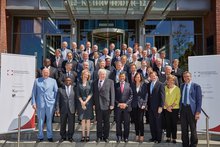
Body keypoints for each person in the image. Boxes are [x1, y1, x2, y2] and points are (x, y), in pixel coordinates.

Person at [31, 68, 58, 142]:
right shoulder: (37, 81)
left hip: (50, 104)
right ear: (42, 73)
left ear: (49, 73)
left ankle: (50, 136)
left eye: (47, 72)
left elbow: (56, 92)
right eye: (44, 72)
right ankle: (40, 136)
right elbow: (34, 92)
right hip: (40, 103)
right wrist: (33, 103)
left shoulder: (53, 81)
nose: (46, 73)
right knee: (40, 120)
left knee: (49, 120)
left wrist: (55, 102)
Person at [180, 71, 202, 147]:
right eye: (184, 76)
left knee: (193, 129)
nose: (186, 78)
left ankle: (193, 144)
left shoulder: (196, 86)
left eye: (188, 76)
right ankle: (185, 144)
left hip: (192, 110)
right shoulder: (182, 86)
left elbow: (199, 100)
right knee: (184, 129)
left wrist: (198, 112)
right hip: (183, 109)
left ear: (191, 77)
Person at [93, 69, 115, 142]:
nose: (102, 75)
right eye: (101, 74)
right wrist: (93, 103)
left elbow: (112, 93)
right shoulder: (94, 82)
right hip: (98, 105)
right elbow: (94, 94)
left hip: (107, 105)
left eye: (104, 74)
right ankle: (99, 136)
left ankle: (106, 137)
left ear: (106, 75)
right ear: (98, 75)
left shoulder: (110, 82)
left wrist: (112, 104)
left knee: (106, 122)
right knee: (99, 122)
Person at [56, 77, 76, 142]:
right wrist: (57, 110)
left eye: (69, 80)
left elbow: (76, 100)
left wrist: (77, 109)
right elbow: (58, 101)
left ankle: (70, 137)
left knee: (71, 124)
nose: (68, 81)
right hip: (63, 109)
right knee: (62, 123)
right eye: (66, 80)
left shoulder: (74, 89)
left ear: (71, 81)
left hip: (71, 109)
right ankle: (63, 137)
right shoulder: (60, 89)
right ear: (64, 81)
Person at [115, 72, 133, 143]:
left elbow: (131, 95)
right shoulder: (115, 85)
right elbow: (113, 96)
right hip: (118, 107)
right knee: (118, 123)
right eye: (121, 76)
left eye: (123, 76)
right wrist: (118, 104)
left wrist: (126, 104)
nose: (122, 78)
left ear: (125, 77)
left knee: (126, 123)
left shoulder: (129, 85)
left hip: (126, 107)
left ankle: (126, 137)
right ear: (119, 77)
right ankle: (119, 136)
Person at [147, 71, 165, 143]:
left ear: (156, 76)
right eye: (151, 76)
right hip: (150, 107)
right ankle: (153, 137)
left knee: (158, 124)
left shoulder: (160, 84)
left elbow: (163, 96)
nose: (153, 77)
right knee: (152, 123)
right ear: (150, 77)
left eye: (154, 76)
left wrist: (161, 106)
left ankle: (158, 139)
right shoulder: (148, 84)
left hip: (158, 108)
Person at [77, 70, 94, 142]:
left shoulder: (90, 83)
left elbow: (91, 93)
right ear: (82, 75)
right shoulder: (79, 83)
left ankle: (88, 135)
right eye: (84, 74)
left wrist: (85, 102)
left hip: (89, 103)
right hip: (81, 103)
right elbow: (78, 94)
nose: (86, 76)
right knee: (83, 120)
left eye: (87, 75)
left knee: (88, 120)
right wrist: (82, 102)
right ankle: (83, 135)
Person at [131, 72, 148, 142]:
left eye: (139, 77)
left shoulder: (144, 85)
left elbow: (146, 95)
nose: (137, 78)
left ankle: (142, 135)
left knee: (140, 120)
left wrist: (144, 103)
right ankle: (137, 134)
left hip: (141, 105)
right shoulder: (132, 85)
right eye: (136, 77)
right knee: (136, 121)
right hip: (134, 105)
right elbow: (131, 94)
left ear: (141, 78)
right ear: (134, 78)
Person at [164, 75, 180, 144]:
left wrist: (171, 107)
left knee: (174, 124)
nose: (171, 81)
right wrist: (167, 107)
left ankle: (174, 138)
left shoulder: (177, 89)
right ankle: (168, 137)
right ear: (167, 81)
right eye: (169, 80)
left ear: (174, 81)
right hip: (166, 108)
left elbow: (178, 99)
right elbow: (163, 98)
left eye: (172, 80)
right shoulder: (164, 88)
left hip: (174, 109)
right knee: (168, 124)